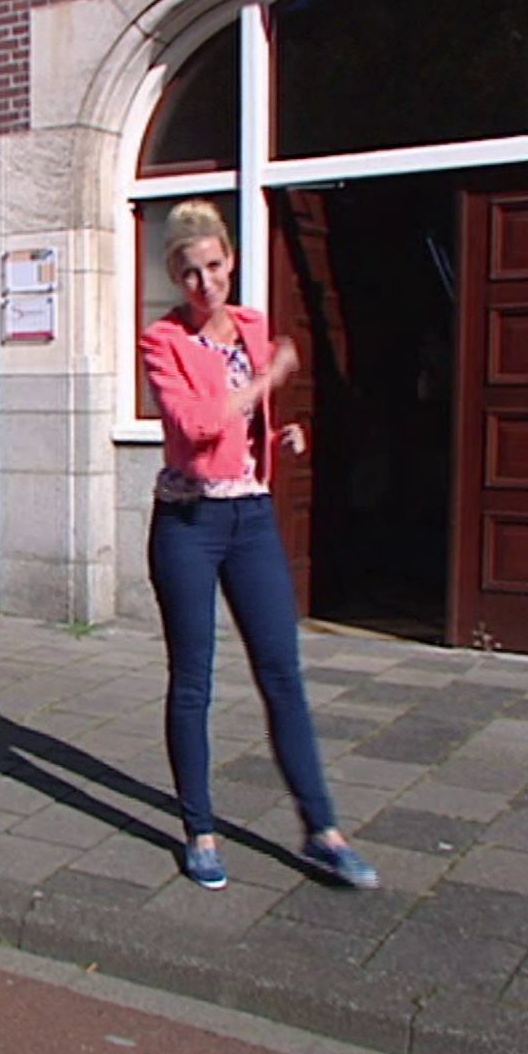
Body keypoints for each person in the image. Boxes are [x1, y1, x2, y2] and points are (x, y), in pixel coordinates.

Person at [139, 199, 377, 891]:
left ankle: (323, 830)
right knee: (194, 680)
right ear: (174, 276)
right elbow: (194, 426)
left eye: (214, 266)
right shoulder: (162, 341)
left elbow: (238, 429)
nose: (205, 283)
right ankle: (200, 832)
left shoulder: (251, 327)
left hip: (250, 518)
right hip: (188, 525)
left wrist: (277, 436)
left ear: (231, 261)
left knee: (282, 673)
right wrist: (266, 381)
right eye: (190, 272)